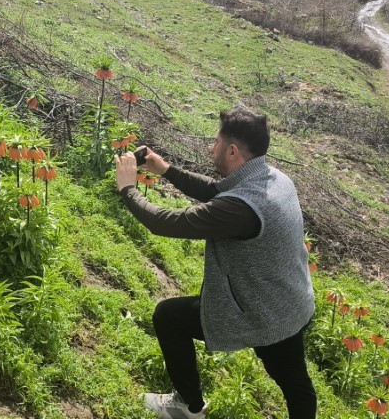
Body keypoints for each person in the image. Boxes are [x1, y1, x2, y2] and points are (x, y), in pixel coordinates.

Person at [114, 108, 316, 419]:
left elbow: (165, 223)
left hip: (264, 312)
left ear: (232, 151)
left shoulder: (242, 208)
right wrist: (165, 169)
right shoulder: (273, 178)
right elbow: (215, 190)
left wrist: (128, 189)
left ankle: (188, 407)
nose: (212, 147)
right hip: (293, 300)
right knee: (296, 385)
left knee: (169, 317)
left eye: (216, 141)